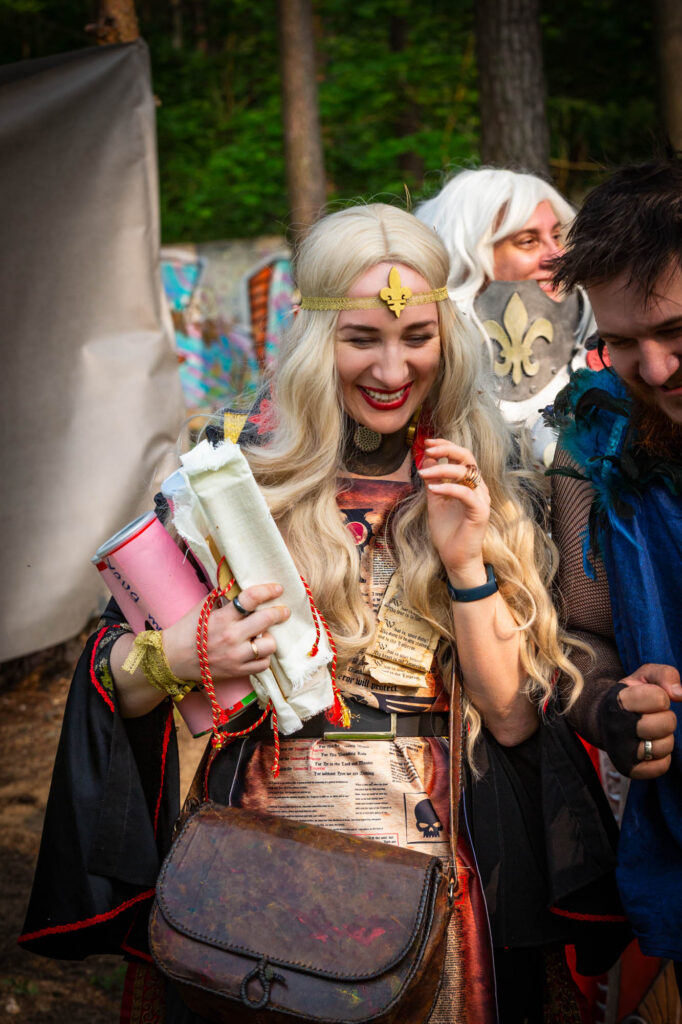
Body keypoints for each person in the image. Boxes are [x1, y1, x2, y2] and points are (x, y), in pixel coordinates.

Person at [20, 204, 626, 1023]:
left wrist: (465, 564)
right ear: (314, 338)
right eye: (361, 338)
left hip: (439, 865)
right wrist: (189, 653)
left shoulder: (491, 469)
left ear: (446, 335)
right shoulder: (232, 473)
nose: (392, 367)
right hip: (257, 855)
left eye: (417, 336)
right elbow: (113, 678)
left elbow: (514, 719)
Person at [548, 159, 682, 996]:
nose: (656, 370)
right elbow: (580, 631)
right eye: (623, 342)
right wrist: (610, 708)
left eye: (677, 332)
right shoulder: (595, 432)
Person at [416, 168, 594, 466]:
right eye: (528, 241)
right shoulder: (429, 357)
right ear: (469, 256)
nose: (558, 256)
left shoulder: (599, 335)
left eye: (556, 236)